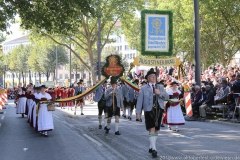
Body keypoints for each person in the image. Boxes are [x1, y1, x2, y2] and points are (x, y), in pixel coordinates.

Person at [136, 68, 169, 158]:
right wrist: (138, 112)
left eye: (155, 76)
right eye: (151, 76)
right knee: (151, 128)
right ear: (148, 78)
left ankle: (151, 145)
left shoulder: (160, 87)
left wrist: (160, 93)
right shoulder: (143, 88)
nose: (154, 77)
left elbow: (167, 97)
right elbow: (140, 101)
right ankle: (154, 149)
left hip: (159, 110)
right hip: (149, 110)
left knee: (157, 129)